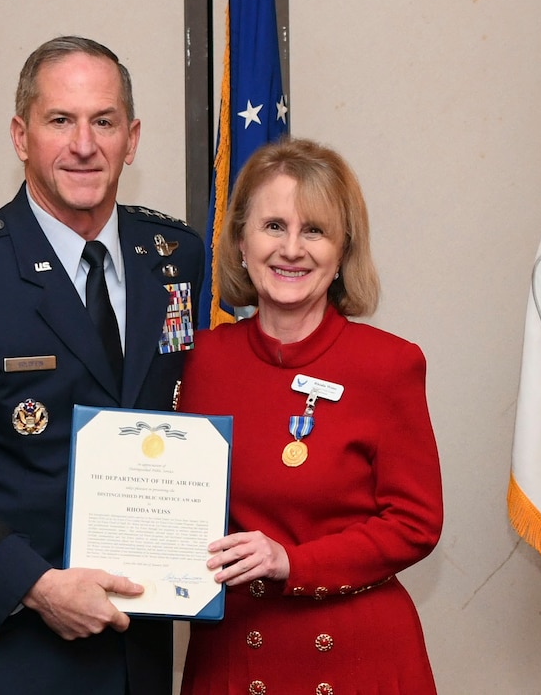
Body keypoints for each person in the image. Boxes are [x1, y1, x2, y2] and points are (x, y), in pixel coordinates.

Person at [0, 36, 204, 694]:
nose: (84, 144)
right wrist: (36, 585)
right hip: (8, 653)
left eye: (103, 121)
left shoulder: (174, 256)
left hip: (136, 655)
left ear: (131, 138)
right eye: (60, 120)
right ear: (21, 135)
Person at [178, 137, 442, 694]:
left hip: (354, 659)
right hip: (233, 655)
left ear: (343, 251)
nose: (291, 249)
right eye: (273, 226)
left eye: (314, 230)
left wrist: (290, 562)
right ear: (241, 243)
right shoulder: (198, 361)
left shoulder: (389, 364)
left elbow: (416, 523)